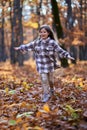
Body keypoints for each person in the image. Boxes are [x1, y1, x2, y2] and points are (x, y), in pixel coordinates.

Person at [14, 25, 74, 103]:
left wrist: (67, 55)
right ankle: (46, 94)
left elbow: (60, 50)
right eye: (41, 32)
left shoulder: (52, 42)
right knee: (44, 79)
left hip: (50, 65)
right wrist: (20, 48)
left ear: (48, 33)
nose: (42, 34)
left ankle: (52, 89)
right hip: (41, 65)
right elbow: (28, 46)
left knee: (51, 81)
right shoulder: (37, 42)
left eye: (44, 32)